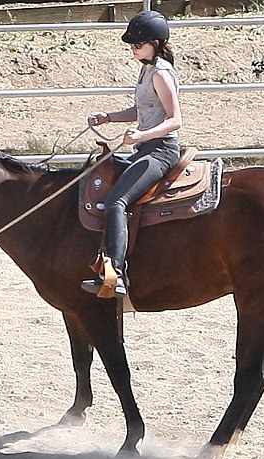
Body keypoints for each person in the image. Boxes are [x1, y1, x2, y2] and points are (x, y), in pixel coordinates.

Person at [81, 10, 182, 298]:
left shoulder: (161, 73)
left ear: (155, 43)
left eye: (138, 44)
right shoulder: (147, 69)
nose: (133, 48)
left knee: (116, 201)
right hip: (147, 146)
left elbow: (175, 120)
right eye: (132, 45)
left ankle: (117, 274)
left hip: (161, 150)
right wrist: (109, 117)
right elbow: (144, 110)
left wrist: (141, 136)